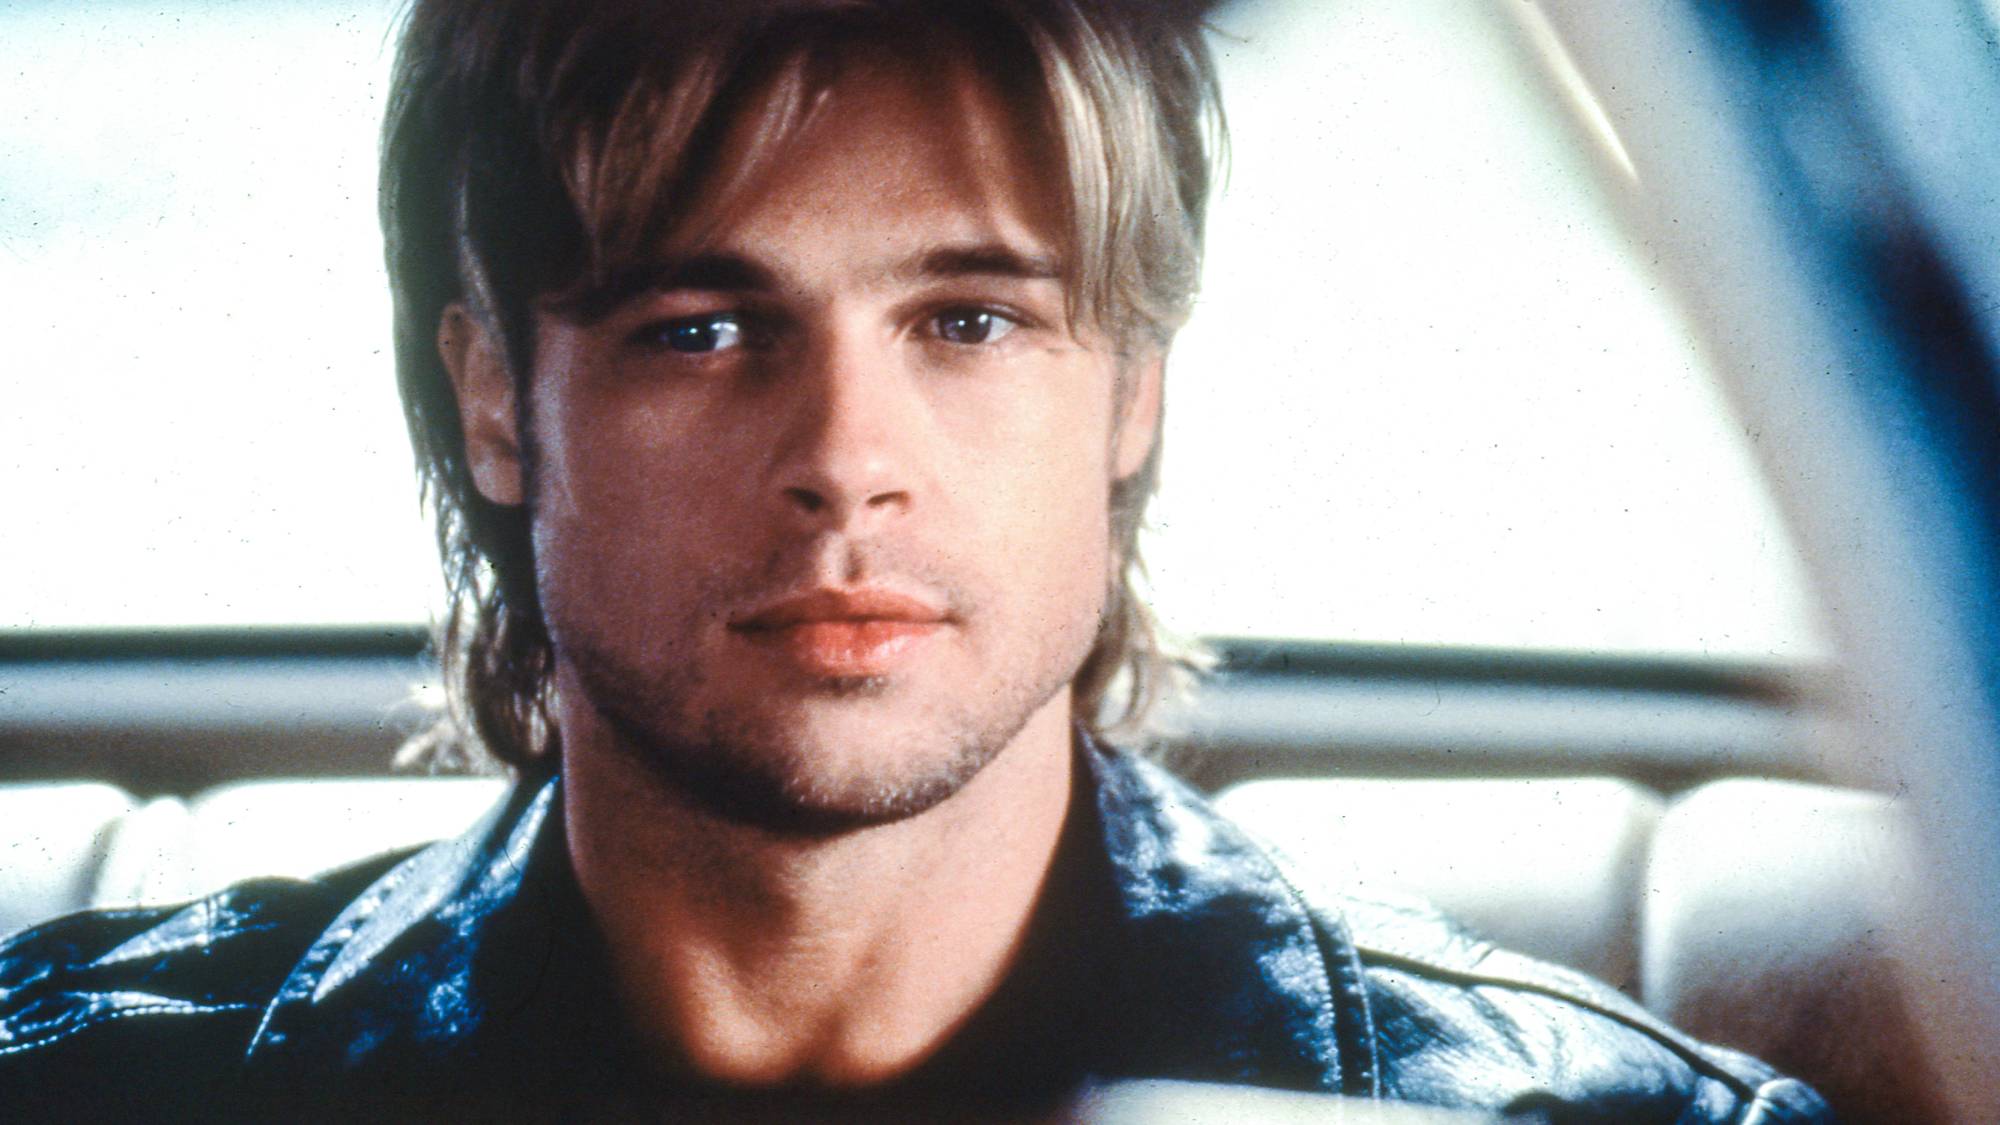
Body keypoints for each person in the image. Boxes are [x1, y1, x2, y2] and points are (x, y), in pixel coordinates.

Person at [0, 2, 1829, 1120]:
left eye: (968, 321)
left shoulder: (1576, 1118)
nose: (844, 461)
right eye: (702, 329)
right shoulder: (91, 1083)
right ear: (496, 400)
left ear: (1132, 392)